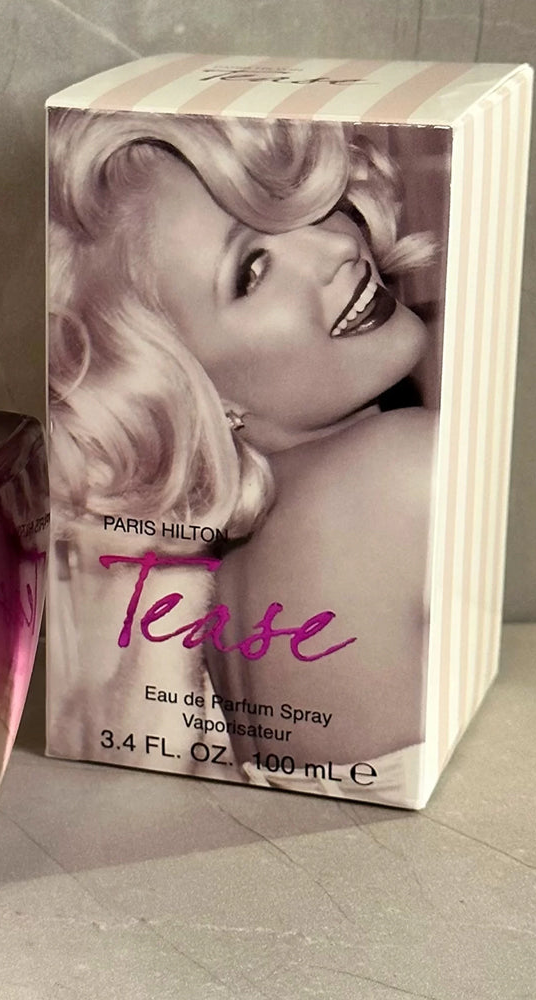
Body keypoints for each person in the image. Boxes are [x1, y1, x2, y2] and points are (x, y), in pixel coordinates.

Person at [47, 110, 440, 802]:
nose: (334, 247)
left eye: (306, 208)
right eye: (252, 271)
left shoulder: (237, 575)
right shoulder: (402, 474)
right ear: (184, 387)